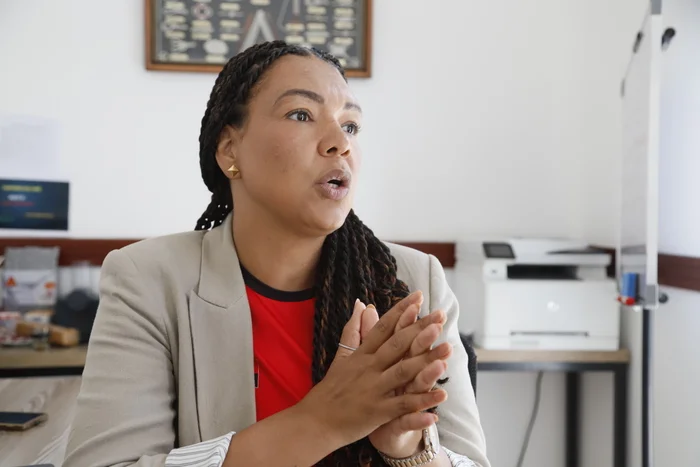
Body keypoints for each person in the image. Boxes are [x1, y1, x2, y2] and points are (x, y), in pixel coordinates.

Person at [63, 40, 490, 467]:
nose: (339, 142)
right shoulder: (147, 279)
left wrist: (409, 450)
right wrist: (323, 422)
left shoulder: (414, 280)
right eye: (301, 114)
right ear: (230, 150)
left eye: (351, 125)